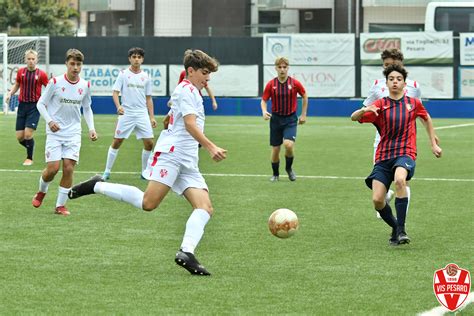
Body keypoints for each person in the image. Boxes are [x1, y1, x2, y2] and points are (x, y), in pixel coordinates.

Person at [68, 49, 226, 276]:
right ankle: (97, 185)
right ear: (190, 71)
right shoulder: (187, 90)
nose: (208, 77)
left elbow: (172, 115)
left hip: (188, 160)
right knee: (148, 203)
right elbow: (190, 124)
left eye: (209, 73)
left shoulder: (190, 90)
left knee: (205, 207)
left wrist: (169, 122)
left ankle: (186, 252)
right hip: (172, 155)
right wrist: (211, 147)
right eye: (204, 72)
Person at [351, 63, 442, 246]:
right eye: (391, 79)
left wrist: (433, 143)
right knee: (377, 200)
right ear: (386, 83)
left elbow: (426, 118)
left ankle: (401, 230)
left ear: (404, 83)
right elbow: (354, 117)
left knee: (400, 180)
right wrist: (364, 110)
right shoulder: (380, 104)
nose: (395, 82)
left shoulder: (413, 103)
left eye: (398, 79)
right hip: (383, 156)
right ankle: (395, 228)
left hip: (405, 153)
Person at [364, 48, 439, 219]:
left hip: (405, 139)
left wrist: (431, 136)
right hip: (382, 139)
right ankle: (389, 195)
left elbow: (420, 112)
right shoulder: (378, 85)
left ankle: (401, 199)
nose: (388, 68)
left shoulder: (412, 86)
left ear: (401, 64)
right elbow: (367, 107)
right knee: (381, 177)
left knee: (399, 177)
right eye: (385, 65)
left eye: (392, 65)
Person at [32, 48, 98, 216]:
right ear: (66, 64)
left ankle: (60, 206)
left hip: (74, 133)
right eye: (72, 64)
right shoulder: (55, 82)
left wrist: (91, 128)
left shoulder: (85, 85)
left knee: (68, 169)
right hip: (55, 132)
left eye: (78, 64)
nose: (75, 67)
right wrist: (50, 121)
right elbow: (41, 104)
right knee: (52, 169)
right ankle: (42, 191)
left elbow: (87, 107)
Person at [102, 47, 157, 180]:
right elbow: (115, 92)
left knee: (149, 143)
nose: (136, 59)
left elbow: (148, 98)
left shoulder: (146, 76)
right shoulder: (123, 74)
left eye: (139, 57)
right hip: (126, 113)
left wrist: (152, 116)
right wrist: (118, 106)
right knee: (117, 141)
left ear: (142, 59)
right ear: (130, 59)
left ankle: (144, 172)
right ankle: (107, 171)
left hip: (142, 113)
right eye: (134, 57)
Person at [261, 56, 308, 182]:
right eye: (280, 67)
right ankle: (275, 174)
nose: (282, 69)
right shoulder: (271, 84)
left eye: (284, 67)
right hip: (276, 119)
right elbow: (264, 100)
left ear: (288, 68)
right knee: (276, 149)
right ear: (276, 68)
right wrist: (264, 111)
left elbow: (304, 95)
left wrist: (303, 114)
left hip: (290, 119)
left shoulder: (295, 83)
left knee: (288, 145)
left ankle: (289, 169)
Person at [5, 49, 49, 166]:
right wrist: (10, 93)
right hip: (22, 106)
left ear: (36, 60)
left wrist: (48, 101)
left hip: (34, 106)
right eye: (28, 59)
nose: (31, 61)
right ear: (25, 60)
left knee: (28, 134)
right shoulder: (21, 72)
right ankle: (32, 147)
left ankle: (29, 158)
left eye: (33, 59)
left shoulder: (42, 74)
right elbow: (17, 85)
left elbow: (49, 88)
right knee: (20, 137)